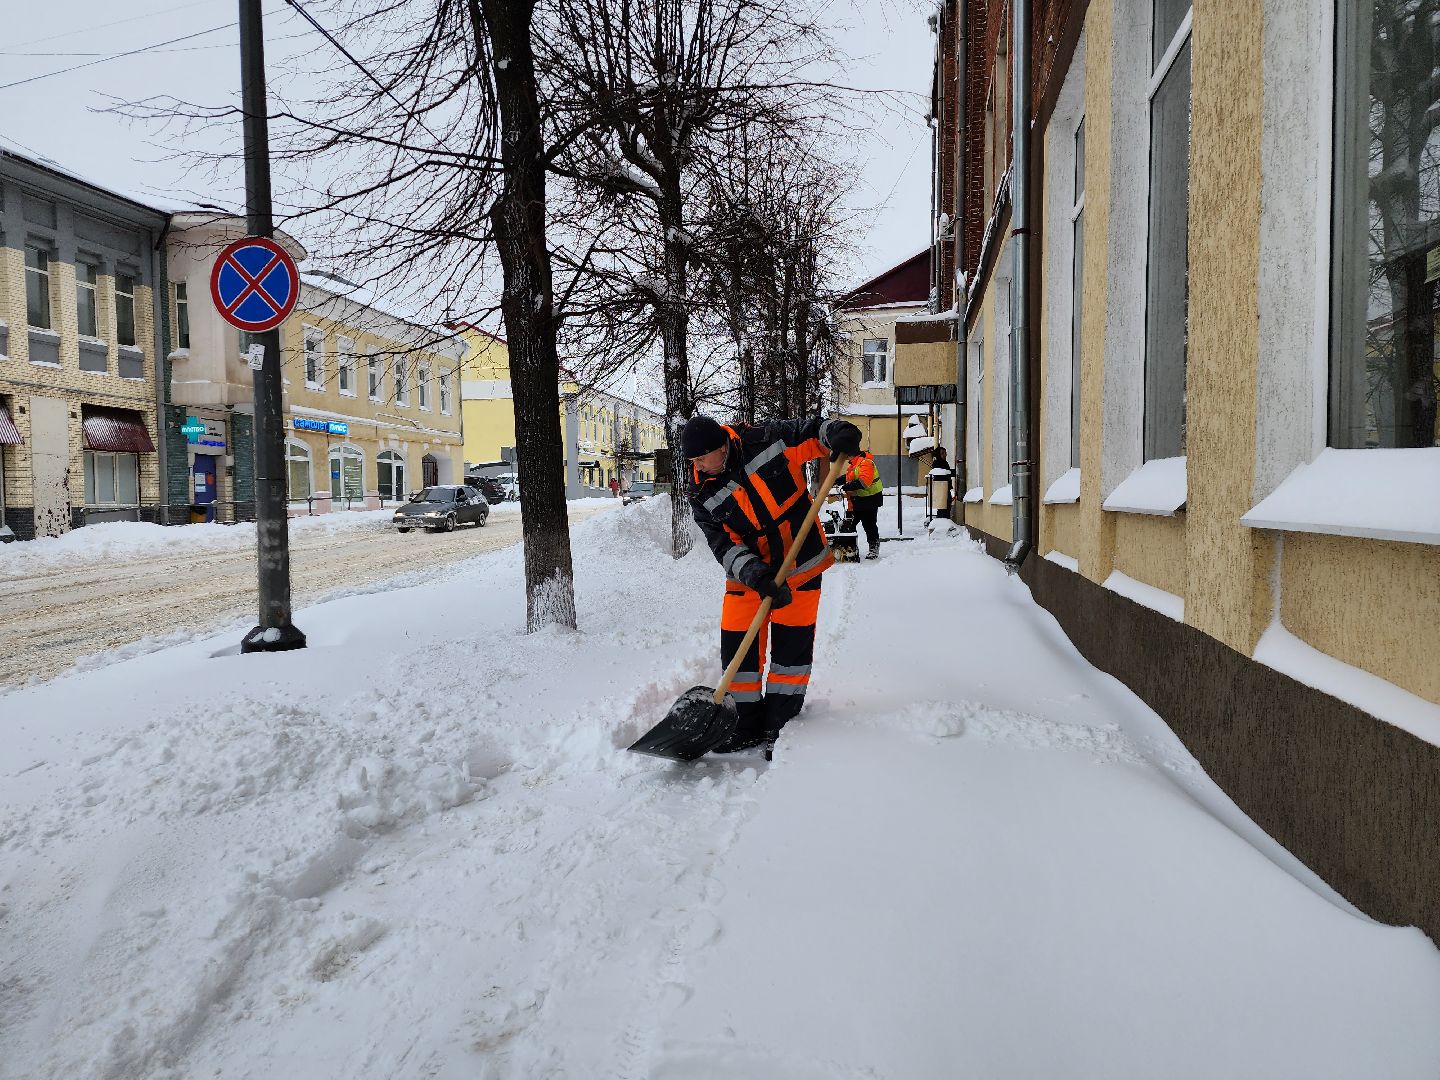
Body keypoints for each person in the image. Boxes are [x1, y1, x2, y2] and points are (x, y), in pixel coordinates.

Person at [682, 413, 863, 752]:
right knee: (738, 646)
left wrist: (835, 431)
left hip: (800, 562)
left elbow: (809, 432)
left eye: (702, 457)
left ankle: (780, 722)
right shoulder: (700, 492)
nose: (699, 465)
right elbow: (723, 544)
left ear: (722, 446)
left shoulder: (765, 440)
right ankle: (744, 724)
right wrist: (755, 574)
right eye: (693, 460)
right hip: (749, 576)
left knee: (790, 653)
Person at [842, 448, 885, 559]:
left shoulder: (866, 462)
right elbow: (851, 477)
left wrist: (847, 487)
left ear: (852, 454)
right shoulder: (855, 464)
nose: (845, 458)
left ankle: (873, 548)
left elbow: (864, 481)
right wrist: (837, 481)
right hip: (858, 500)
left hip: (870, 499)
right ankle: (849, 549)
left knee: (869, 524)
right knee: (849, 524)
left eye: (846, 455)